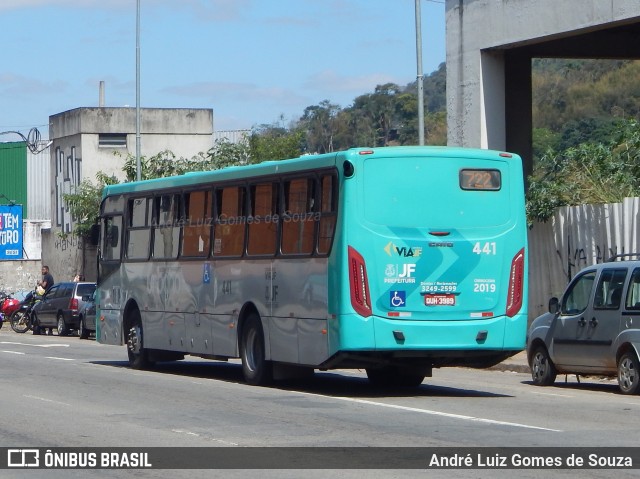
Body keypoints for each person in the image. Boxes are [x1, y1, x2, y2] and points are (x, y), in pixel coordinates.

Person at [36, 265, 55, 335]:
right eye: (42, 270)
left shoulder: (47, 276)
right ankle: (49, 330)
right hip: (50, 296)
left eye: (43, 270)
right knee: (48, 312)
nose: (42, 271)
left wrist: (40, 283)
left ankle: (43, 329)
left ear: (47, 270)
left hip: (47, 296)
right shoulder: (49, 276)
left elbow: (44, 285)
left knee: (42, 311)